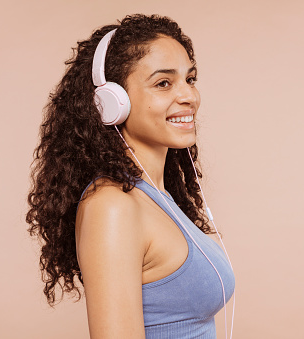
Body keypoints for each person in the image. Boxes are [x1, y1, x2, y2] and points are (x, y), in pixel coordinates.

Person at [26, 14, 235, 338]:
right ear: (113, 102)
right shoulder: (112, 206)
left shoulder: (159, 196)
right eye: (163, 83)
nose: (189, 96)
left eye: (189, 79)